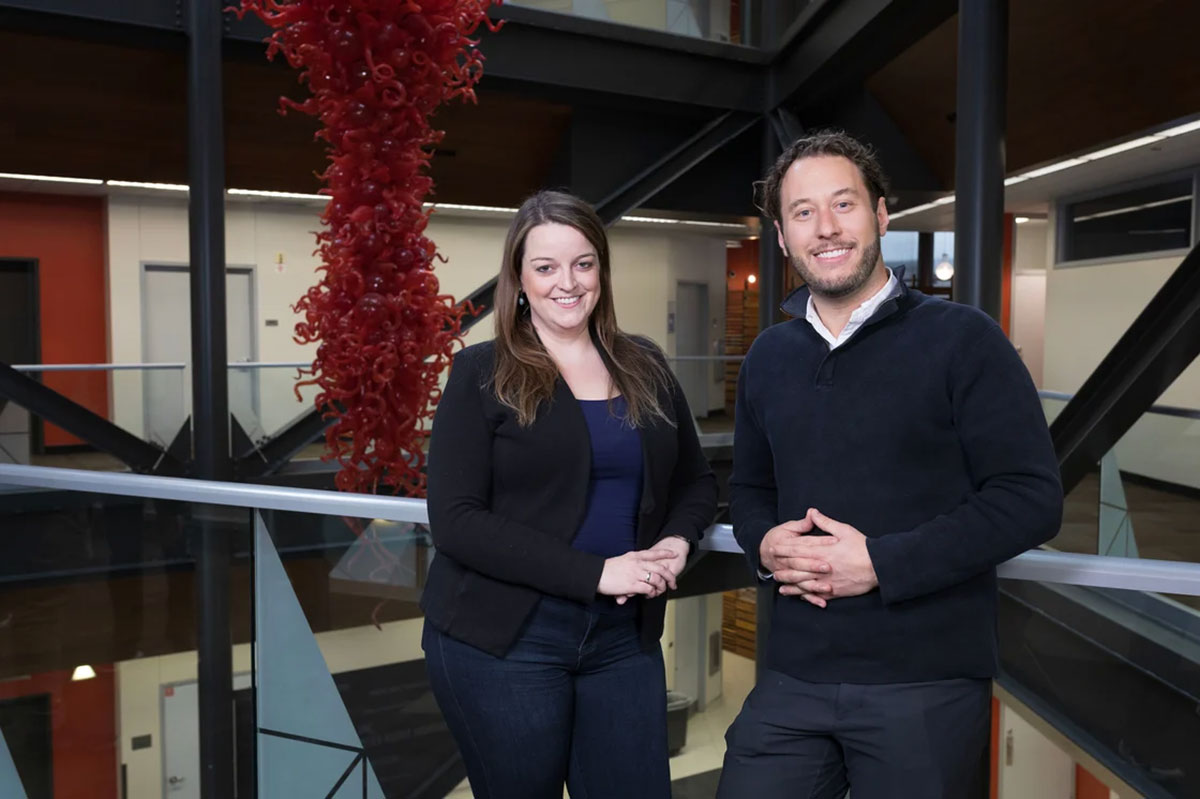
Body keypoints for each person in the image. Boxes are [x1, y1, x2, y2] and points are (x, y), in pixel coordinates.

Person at [717, 131, 1064, 799]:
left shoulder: (964, 339)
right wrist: (763, 540)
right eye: (803, 212)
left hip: (925, 682)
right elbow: (751, 488)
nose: (826, 228)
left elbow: (1030, 497)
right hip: (794, 675)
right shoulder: (768, 357)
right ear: (784, 239)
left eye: (843, 204)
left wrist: (881, 562)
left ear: (880, 214)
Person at [421, 190, 718, 799]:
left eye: (583, 263)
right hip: (504, 638)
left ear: (602, 272)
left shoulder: (646, 365)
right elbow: (456, 521)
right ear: (519, 279)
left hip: (622, 638)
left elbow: (696, 481)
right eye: (546, 267)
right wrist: (597, 573)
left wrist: (675, 541)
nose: (568, 282)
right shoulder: (482, 371)